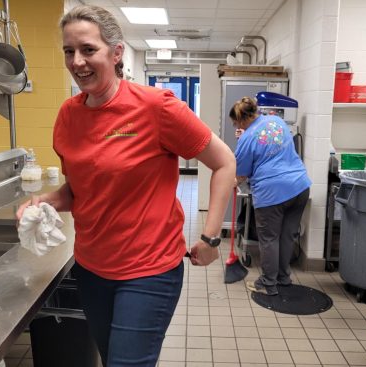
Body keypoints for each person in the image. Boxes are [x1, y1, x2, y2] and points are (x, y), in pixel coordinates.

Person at [16, 5, 235, 366]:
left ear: (116, 53)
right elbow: (79, 190)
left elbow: (225, 161)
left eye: (88, 49)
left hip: (149, 271)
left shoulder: (156, 108)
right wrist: (46, 201)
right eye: (69, 51)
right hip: (91, 269)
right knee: (110, 358)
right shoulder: (69, 116)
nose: (77, 61)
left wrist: (212, 238)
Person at [230, 97, 311, 296]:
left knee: (269, 239)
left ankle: (268, 283)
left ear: (241, 121)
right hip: (299, 186)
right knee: (287, 236)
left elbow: (241, 174)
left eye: (235, 123)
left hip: (272, 192)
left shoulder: (246, 140)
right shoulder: (277, 121)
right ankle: (283, 278)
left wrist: (230, 183)